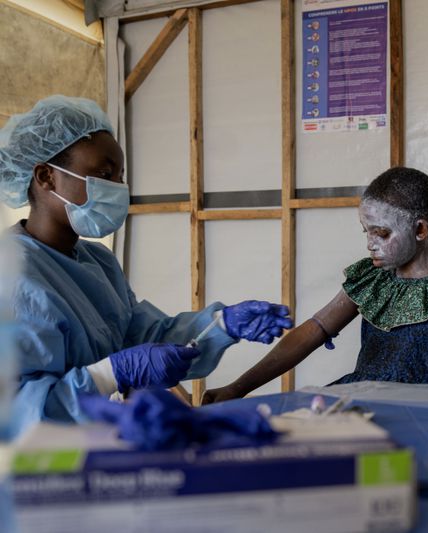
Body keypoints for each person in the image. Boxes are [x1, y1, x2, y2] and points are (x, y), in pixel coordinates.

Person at [0, 95, 294, 435]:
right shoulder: (12, 273)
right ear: (46, 176)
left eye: (120, 175)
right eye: (103, 173)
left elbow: (144, 339)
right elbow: (18, 410)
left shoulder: (98, 261)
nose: (117, 188)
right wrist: (111, 373)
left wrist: (221, 325)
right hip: (38, 467)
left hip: (101, 443)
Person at [203, 167, 428, 403]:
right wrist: (237, 387)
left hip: (423, 410)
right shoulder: (371, 279)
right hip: (360, 400)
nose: (370, 245)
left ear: (420, 229)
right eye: (366, 232)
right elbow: (310, 333)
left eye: (382, 234)